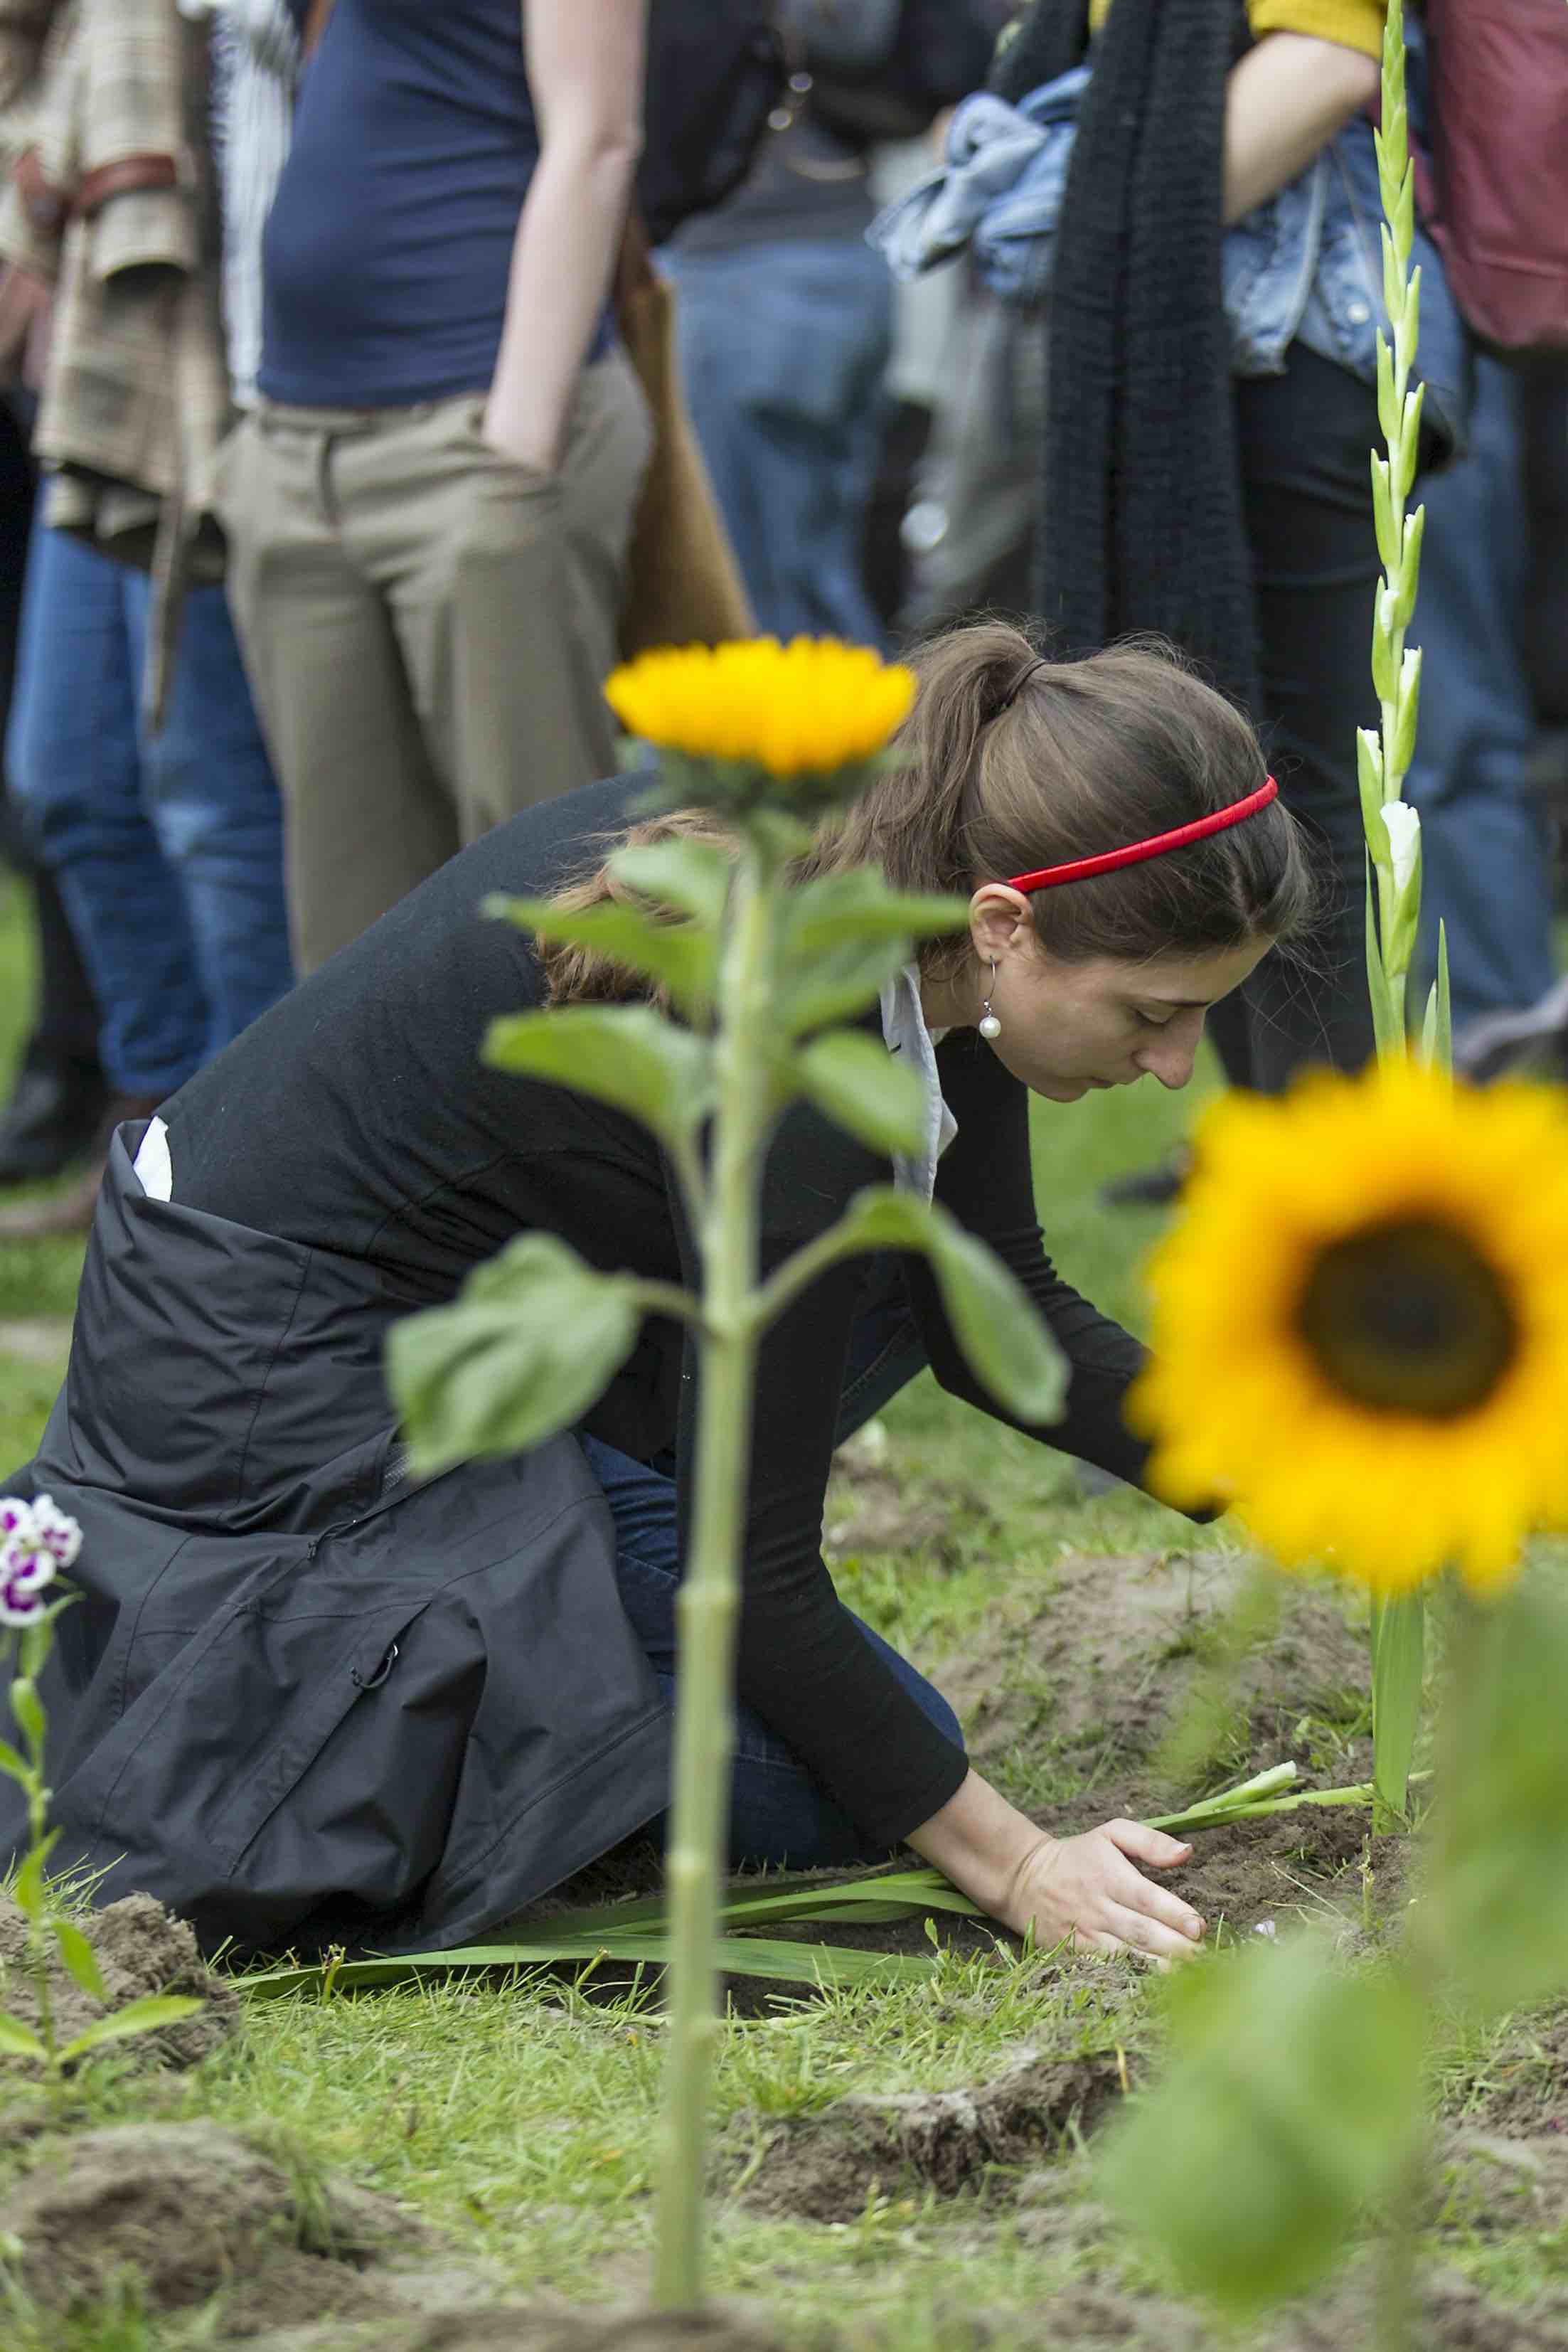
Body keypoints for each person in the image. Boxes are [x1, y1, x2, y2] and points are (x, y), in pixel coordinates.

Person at [2, 623, 1313, 1967]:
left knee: (863, 1633)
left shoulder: (900, 888)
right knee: (808, 1792)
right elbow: (746, 1577)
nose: (1172, 1065)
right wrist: (1022, 1864)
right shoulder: (799, 1035)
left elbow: (998, 1313)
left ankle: (549, 1580)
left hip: (389, 1316)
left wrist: (1321, 1477)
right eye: (1152, 1012)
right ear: (1007, 926)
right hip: (256, 1386)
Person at [875, 0, 1471, 1210]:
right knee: (1210, 807)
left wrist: (1070, 199)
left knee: (1303, 816)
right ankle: (1282, 1177)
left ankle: (1349, 1217)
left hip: (1279, 354)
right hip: (1181, 349)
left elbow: (1326, 61)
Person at [213, 0, 654, 977]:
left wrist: (514, 454)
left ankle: (588, 1138)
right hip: (299, 445)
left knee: (556, 918)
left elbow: (598, 133)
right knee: (348, 947)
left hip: (474, 435)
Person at [0, 0, 294, 1238]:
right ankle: (153, 1139)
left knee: (211, 800)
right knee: (66, 778)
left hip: (218, 359)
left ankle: (243, 1184)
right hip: (112, 381)